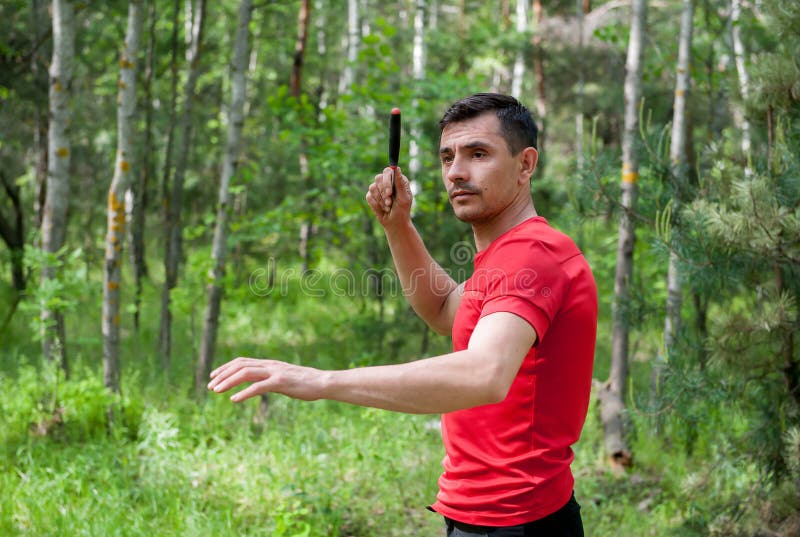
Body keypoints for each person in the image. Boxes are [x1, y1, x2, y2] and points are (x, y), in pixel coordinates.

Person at [208, 93, 597, 537]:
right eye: (447, 157)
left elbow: (483, 373)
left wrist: (321, 381)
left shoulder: (534, 253)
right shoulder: (506, 256)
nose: (456, 172)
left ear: (526, 165)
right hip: (491, 515)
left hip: (517, 522)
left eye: (478, 154)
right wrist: (398, 226)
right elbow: (445, 310)